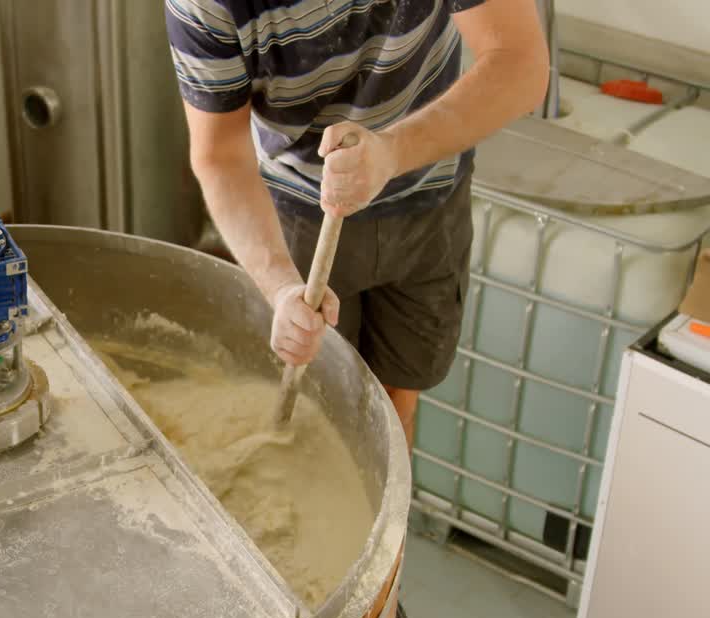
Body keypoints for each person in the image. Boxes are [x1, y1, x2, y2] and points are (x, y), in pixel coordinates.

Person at [165, 0, 549, 446]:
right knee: (311, 423)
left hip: (428, 195)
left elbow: (520, 63)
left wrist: (392, 153)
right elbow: (220, 156)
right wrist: (280, 285)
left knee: (393, 409)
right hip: (292, 214)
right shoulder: (204, 4)